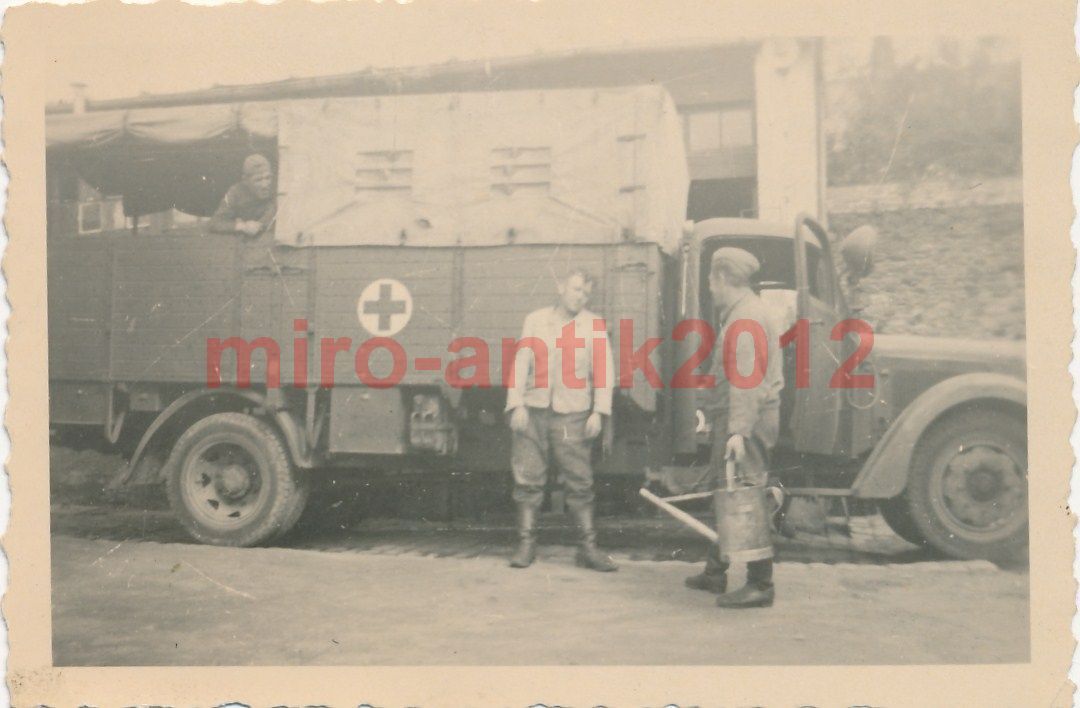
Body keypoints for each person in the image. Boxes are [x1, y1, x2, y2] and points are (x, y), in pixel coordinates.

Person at [685, 247, 784, 608]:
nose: (710, 287)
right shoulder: (742, 313)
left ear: (723, 278)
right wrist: (709, 412)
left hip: (748, 420)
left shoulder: (746, 320)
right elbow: (727, 377)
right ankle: (715, 572)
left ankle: (761, 584)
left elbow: (747, 382)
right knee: (725, 491)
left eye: (711, 279)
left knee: (748, 495)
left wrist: (738, 432)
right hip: (738, 417)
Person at [504, 269, 618, 572]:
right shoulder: (536, 320)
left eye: (586, 292)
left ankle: (588, 549)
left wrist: (599, 412)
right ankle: (526, 545)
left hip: (574, 413)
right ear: (560, 287)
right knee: (528, 480)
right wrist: (516, 404)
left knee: (580, 482)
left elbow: (604, 371)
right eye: (576, 289)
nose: (581, 296)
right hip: (534, 411)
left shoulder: (593, 325)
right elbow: (521, 363)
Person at [208, 154, 276, 237]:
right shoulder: (235, 192)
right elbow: (215, 222)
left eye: (268, 178)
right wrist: (242, 226)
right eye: (258, 180)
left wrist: (260, 224)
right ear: (245, 180)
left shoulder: (278, 189)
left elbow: (274, 213)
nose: (265, 185)